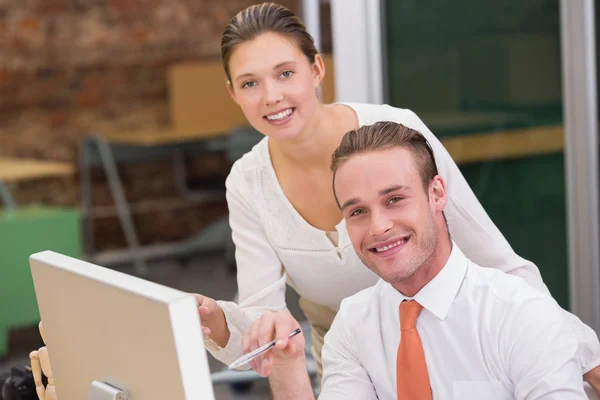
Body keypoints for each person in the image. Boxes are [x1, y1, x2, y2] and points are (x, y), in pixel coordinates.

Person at [191, 1, 600, 388]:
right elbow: (265, 319)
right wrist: (218, 321)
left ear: (316, 70)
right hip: (353, 365)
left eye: (285, 73)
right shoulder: (247, 181)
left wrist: (584, 357)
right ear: (233, 93)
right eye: (250, 83)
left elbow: (496, 261)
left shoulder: (394, 132)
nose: (271, 97)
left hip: (456, 345)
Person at [242, 121, 591, 399]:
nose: (378, 227)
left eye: (394, 200)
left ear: (437, 193)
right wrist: (287, 367)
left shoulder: (520, 315)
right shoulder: (353, 325)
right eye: (358, 211)